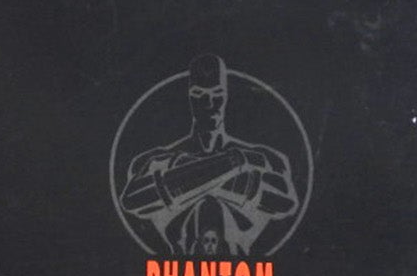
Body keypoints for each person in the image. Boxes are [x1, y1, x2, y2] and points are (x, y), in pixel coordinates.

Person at [119, 54, 298, 257]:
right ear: (188, 97)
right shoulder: (153, 161)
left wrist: (183, 173)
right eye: (198, 93)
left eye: (217, 93)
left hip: (240, 272)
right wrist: (236, 162)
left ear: (227, 96)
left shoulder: (268, 159)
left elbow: (286, 201)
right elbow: (131, 200)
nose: (209, 103)